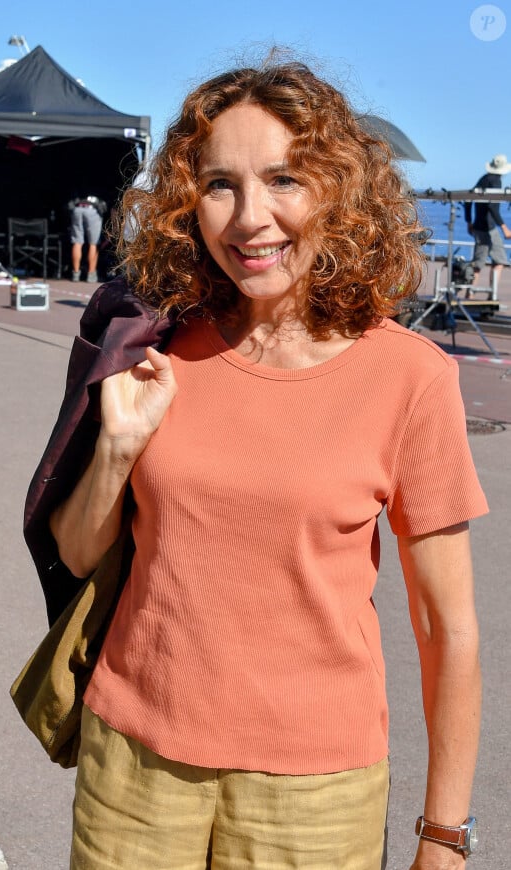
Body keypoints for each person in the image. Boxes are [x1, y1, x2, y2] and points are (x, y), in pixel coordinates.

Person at [30, 58, 488, 870]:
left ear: (340, 191)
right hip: (131, 765)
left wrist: (444, 837)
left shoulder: (411, 378)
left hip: (313, 796)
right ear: (186, 201)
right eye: (218, 184)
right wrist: (118, 449)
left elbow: (445, 628)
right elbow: (76, 552)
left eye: (284, 179)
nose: (250, 219)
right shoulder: (155, 341)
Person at [463, 153, 511, 294]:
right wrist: (505, 228)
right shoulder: (496, 182)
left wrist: (468, 222)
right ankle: (491, 295)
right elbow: (492, 207)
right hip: (489, 228)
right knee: (499, 260)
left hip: (478, 226)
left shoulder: (483, 179)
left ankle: (470, 294)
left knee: (478, 263)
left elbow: (467, 199)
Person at [69, 195, 107, 283]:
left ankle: (75, 274)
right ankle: (91, 274)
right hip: (92, 208)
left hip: (78, 208)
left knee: (77, 242)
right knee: (93, 243)